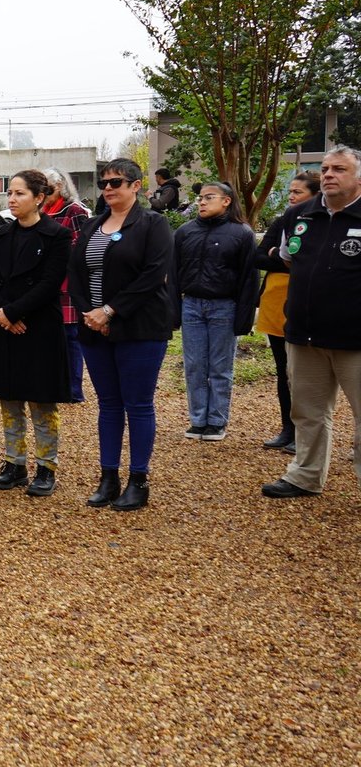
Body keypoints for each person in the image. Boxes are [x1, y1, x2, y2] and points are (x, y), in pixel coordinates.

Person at [69, 157, 176, 512]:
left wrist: (110, 310)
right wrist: (89, 313)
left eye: (117, 182)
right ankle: (108, 476)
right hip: (95, 329)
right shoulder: (91, 226)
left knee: (138, 404)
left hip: (139, 328)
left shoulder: (153, 224)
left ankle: (138, 480)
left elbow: (152, 275)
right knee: (109, 404)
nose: (109, 189)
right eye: (104, 183)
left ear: (136, 186)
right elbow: (77, 273)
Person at [261, 147, 361, 500]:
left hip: (355, 339)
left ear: (359, 177)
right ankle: (305, 475)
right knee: (308, 411)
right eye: (326, 168)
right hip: (304, 334)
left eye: (340, 169)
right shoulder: (300, 215)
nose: (330, 174)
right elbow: (289, 258)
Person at [0, 170, 72, 497]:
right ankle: (14, 464)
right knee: (9, 397)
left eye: (19, 194)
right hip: (3, 322)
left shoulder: (56, 235)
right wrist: (2, 311)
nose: (12, 199)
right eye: (10, 194)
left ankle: (46, 467)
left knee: (41, 400)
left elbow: (50, 282)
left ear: (39, 197)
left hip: (38, 325)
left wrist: (14, 312)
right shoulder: (2, 235)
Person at [172, 181, 258, 442]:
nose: (202, 202)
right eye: (200, 198)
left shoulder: (242, 233)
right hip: (192, 305)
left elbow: (249, 279)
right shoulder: (185, 232)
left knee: (220, 366)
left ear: (227, 201)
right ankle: (198, 420)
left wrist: (244, 318)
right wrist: (173, 310)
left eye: (209, 197)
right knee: (195, 365)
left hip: (224, 306)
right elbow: (173, 274)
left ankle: (217, 421)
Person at [253, 171, 321, 453]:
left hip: (309, 304)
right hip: (275, 303)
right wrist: (284, 260)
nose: (291, 197)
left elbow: (318, 261)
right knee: (283, 370)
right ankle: (287, 428)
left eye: (298, 192)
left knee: (307, 374)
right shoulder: (285, 220)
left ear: (315, 196)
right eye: (291, 192)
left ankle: (306, 436)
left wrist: (277, 257)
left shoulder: (322, 222)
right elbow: (258, 256)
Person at [41, 168, 91, 402]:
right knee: (49, 336)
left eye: (47, 189)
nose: (44, 194)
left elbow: (83, 248)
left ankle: (73, 390)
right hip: (45, 284)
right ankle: (54, 385)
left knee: (70, 337)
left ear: (59, 186)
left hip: (67, 283)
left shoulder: (75, 211)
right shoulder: (42, 211)